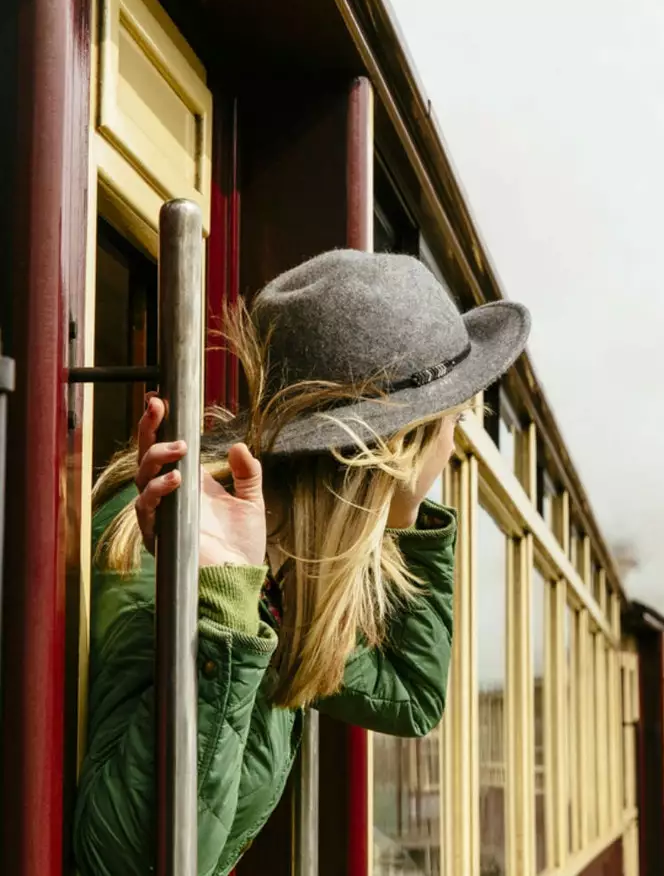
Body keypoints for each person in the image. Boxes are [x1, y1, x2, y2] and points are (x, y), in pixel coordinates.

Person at [73, 250, 531, 876]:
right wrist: (224, 610)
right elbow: (126, 865)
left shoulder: (280, 574)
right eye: (453, 420)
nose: (455, 447)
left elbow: (410, 694)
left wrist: (405, 508)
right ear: (396, 448)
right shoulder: (178, 563)